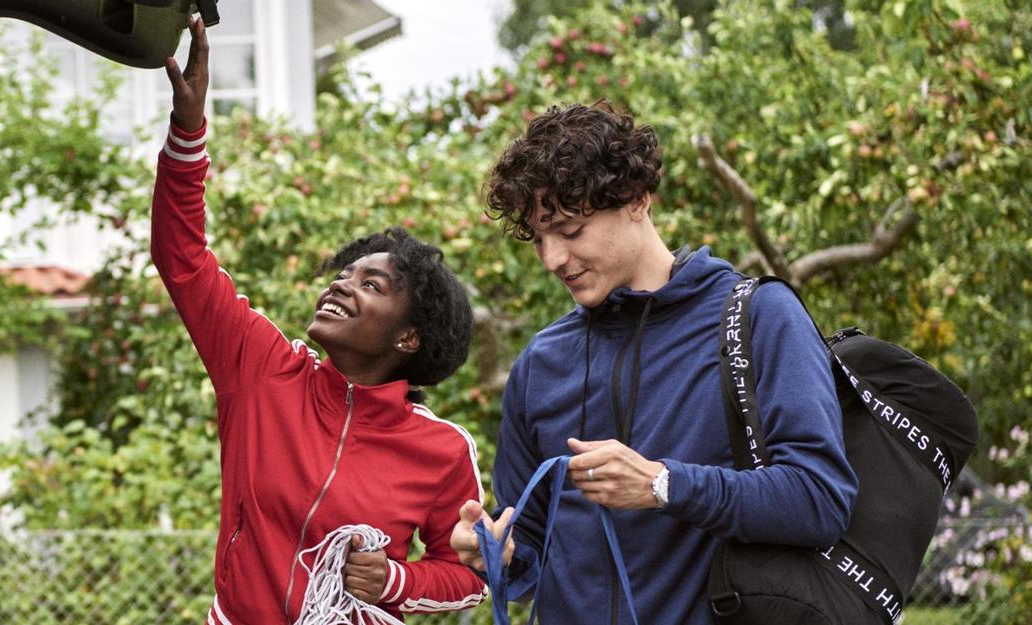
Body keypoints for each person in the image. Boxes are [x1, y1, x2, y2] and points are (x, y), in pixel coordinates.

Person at [449, 102, 858, 624]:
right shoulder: (541, 364)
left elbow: (819, 500)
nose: (552, 258)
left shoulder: (758, 318)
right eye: (540, 238)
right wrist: (496, 552)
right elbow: (529, 554)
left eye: (570, 231)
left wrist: (663, 485)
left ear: (638, 200)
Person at [154, 17, 490, 624]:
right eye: (343, 273)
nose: (341, 283)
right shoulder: (261, 371)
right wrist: (188, 132)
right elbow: (183, 259)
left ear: (408, 336)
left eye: (372, 283)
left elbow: (468, 577)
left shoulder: (442, 450)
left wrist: (393, 578)